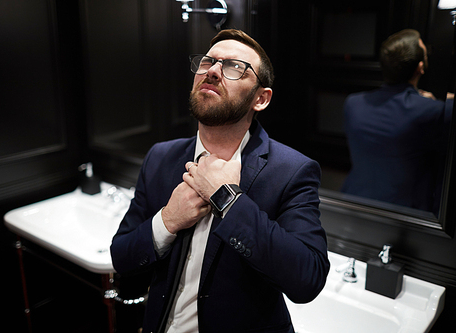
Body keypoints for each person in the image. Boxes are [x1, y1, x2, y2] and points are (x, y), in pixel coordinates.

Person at [111, 29, 329, 333]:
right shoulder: (160, 157)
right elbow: (121, 257)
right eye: (207, 61)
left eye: (234, 67)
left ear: (261, 99)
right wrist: (168, 220)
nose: (212, 71)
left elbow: (307, 279)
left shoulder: (292, 171)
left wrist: (228, 199)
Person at [341, 29, 451, 213]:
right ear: (420, 68)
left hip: (354, 202)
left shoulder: (353, 103)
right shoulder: (432, 111)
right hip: (403, 215)